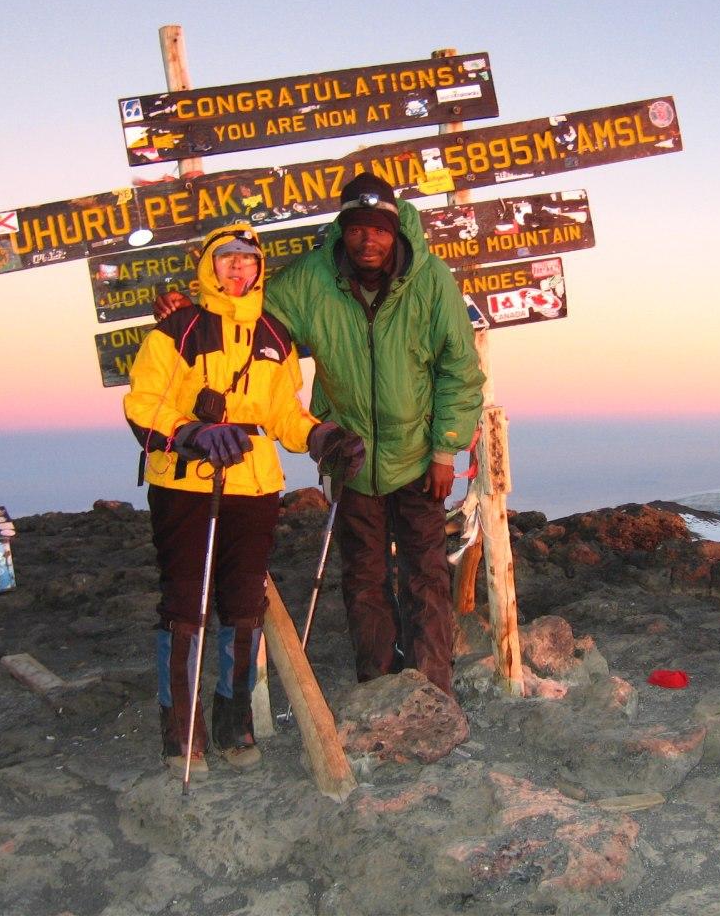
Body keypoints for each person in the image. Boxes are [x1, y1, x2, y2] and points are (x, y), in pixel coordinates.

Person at [157, 173, 484, 697]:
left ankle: (433, 688)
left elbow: (459, 369)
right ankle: (378, 686)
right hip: (348, 455)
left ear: (395, 229)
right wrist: (190, 314)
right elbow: (246, 310)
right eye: (356, 229)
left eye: (378, 229)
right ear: (343, 229)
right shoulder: (313, 277)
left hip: (421, 456)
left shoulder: (430, 280)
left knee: (425, 574)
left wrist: (446, 448)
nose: (367, 241)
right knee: (363, 578)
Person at [125, 222, 363, 778]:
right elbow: (143, 405)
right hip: (187, 483)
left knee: (242, 608)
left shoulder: (275, 336)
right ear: (209, 266)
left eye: (247, 259)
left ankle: (234, 724)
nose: (238, 266)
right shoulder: (176, 332)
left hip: (253, 485)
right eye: (226, 257)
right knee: (184, 607)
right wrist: (190, 433)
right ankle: (181, 733)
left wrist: (322, 437)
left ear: (259, 270)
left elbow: (284, 414)